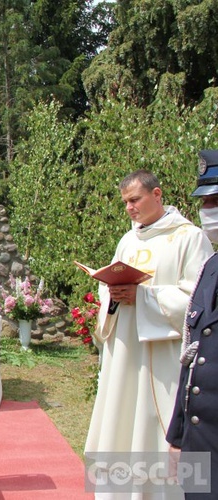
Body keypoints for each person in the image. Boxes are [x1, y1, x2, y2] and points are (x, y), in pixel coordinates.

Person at [85, 170, 213, 499]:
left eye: (135, 199)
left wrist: (143, 297)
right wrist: (111, 296)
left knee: (158, 424)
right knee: (122, 418)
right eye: (125, 202)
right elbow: (108, 289)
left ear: (156, 195)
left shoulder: (190, 237)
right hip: (125, 351)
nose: (129, 208)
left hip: (164, 357)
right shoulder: (128, 240)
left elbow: (198, 300)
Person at [167, 150, 218, 498]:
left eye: (216, 200)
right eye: (206, 202)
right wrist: (178, 434)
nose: (209, 212)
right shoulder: (209, 268)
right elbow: (192, 357)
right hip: (200, 442)